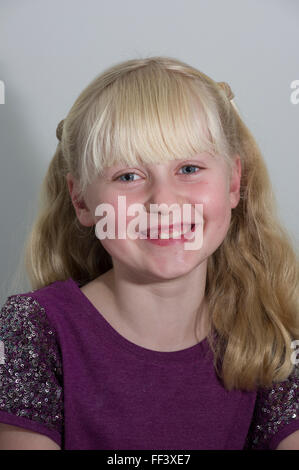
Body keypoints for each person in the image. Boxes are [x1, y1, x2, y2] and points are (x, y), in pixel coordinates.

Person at [0, 56, 298, 450]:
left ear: (233, 182)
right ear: (81, 201)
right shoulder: (31, 331)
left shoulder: (274, 340)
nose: (163, 201)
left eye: (189, 168)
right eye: (128, 176)